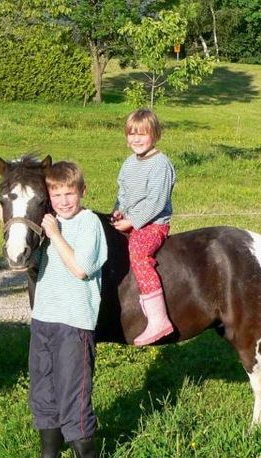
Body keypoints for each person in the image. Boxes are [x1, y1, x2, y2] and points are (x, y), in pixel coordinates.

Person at [13, 161, 108, 458]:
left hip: (74, 323)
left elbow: (81, 268)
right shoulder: (48, 225)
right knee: (42, 389)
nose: (64, 201)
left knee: (73, 391)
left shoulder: (88, 223)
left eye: (70, 193)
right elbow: (33, 264)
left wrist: (55, 234)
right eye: (57, 194)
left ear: (82, 192)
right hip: (43, 318)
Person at [110, 108, 177, 346]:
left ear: (155, 135)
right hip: (130, 220)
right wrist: (119, 210)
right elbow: (124, 194)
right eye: (131, 133)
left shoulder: (161, 164)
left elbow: (155, 202)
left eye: (143, 133)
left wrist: (132, 222)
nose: (136, 139)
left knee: (138, 253)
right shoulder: (129, 163)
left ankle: (158, 318)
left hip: (152, 224)